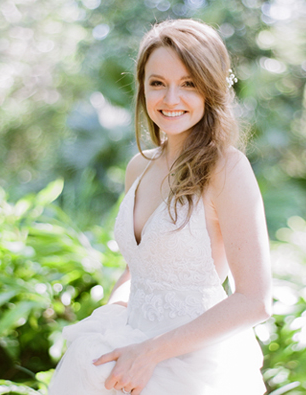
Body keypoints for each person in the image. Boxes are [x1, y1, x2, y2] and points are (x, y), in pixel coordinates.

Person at [47, 19, 271, 395]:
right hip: (128, 343)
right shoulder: (139, 166)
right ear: (142, 88)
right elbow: (141, 267)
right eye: (157, 83)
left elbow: (255, 300)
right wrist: (112, 312)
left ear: (211, 88)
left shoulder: (227, 169)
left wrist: (150, 353)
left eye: (188, 84)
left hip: (192, 367)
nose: (170, 99)